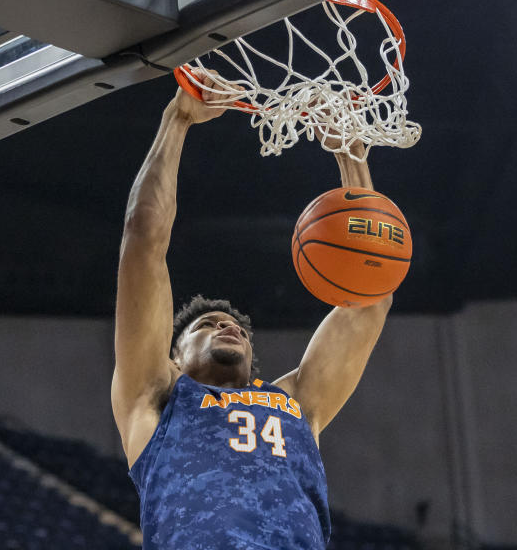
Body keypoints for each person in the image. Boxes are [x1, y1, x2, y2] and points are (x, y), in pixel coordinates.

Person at [111, 71, 393, 549]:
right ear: (174, 357)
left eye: (238, 327)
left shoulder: (296, 403)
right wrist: (177, 120)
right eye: (207, 324)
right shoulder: (156, 398)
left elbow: (371, 297)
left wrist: (350, 152)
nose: (228, 326)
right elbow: (142, 242)